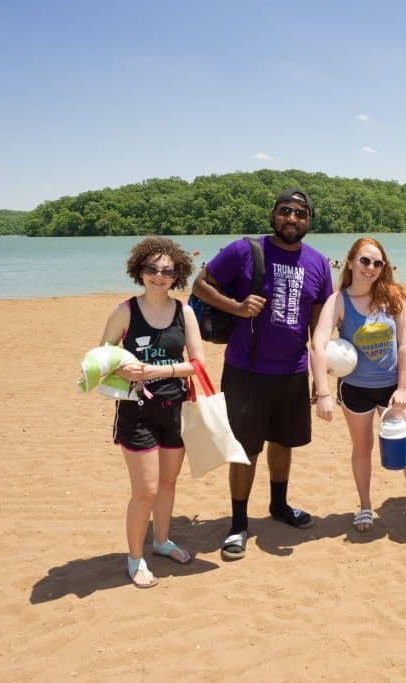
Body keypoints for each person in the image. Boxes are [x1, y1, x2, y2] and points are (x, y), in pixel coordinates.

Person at [191, 189, 334, 560]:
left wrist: (320, 379)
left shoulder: (319, 263)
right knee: (245, 449)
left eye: (300, 213)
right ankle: (238, 523)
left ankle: (279, 505)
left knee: (283, 442)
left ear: (309, 220)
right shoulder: (245, 250)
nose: (292, 218)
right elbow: (200, 285)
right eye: (285, 210)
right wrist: (237, 307)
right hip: (246, 370)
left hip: (293, 371)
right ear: (273, 215)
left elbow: (318, 328)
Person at [310, 238, 406, 533]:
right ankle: (365, 507)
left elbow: (404, 346)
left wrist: (402, 388)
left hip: (392, 388)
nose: (370, 267)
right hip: (354, 389)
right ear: (350, 262)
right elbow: (318, 345)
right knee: (363, 447)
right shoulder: (338, 301)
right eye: (364, 261)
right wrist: (323, 393)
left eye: (377, 263)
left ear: (383, 267)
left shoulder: (394, 297)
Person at [100, 237, 206, 588]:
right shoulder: (125, 311)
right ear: (140, 270)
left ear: (177, 275)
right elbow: (101, 358)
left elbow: (197, 364)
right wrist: (122, 369)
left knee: (167, 484)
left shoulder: (184, 312)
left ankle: (161, 541)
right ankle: (135, 558)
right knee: (145, 490)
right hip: (137, 412)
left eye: (167, 271)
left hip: (174, 409)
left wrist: (155, 371)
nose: (159, 276)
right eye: (152, 269)